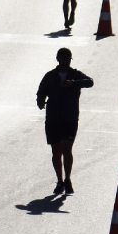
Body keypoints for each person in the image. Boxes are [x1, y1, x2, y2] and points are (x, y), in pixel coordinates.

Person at [36, 48, 94, 195]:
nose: (66, 61)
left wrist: (72, 83)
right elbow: (41, 91)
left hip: (70, 117)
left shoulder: (75, 74)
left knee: (67, 149)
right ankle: (60, 181)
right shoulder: (50, 76)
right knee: (56, 151)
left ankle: (68, 179)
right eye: (64, 58)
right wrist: (41, 101)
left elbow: (90, 82)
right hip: (53, 118)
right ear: (58, 59)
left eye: (69, 59)